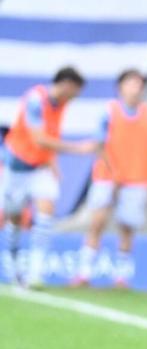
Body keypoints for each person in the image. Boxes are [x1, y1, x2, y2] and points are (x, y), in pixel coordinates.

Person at [1, 67, 91, 287]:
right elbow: (39, 139)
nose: (75, 97)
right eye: (75, 92)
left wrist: (53, 164)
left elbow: (50, 136)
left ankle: (36, 272)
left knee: (45, 214)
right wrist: (78, 148)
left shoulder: (60, 105)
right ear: (67, 84)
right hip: (17, 169)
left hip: (40, 169)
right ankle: (14, 266)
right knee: (15, 219)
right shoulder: (35, 100)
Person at [74, 69, 147, 289]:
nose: (136, 88)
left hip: (136, 179)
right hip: (107, 177)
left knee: (128, 227)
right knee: (97, 222)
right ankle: (84, 272)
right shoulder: (109, 111)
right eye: (131, 83)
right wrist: (114, 173)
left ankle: (121, 276)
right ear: (121, 87)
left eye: (139, 84)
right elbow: (99, 145)